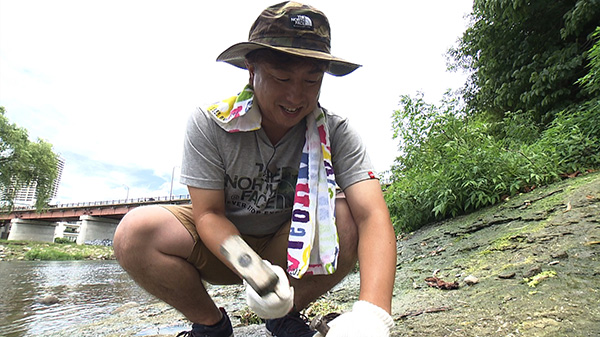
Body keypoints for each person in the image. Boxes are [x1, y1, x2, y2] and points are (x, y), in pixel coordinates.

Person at [113, 2, 396, 336]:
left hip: (291, 246)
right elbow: (208, 215)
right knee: (135, 232)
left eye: (311, 80)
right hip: (220, 246)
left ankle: (284, 314)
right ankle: (211, 325)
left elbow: (373, 216)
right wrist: (257, 273)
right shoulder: (210, 124)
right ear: (251, 69)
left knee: (346, 214)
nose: (296, 95)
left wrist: (373, 315)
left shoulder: (335, 131)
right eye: (281, 77)